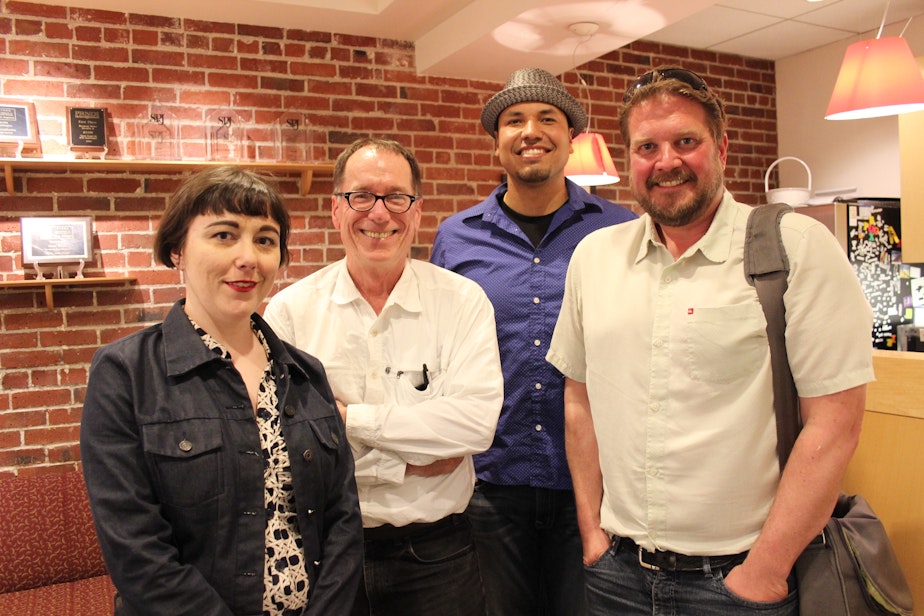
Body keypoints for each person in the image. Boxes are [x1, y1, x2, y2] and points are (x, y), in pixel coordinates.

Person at [546, 66, 875, 615]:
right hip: (616, 574)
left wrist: (764, 574)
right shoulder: (594, 259)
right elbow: (578, 399)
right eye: (647, 146)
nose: (666, 161)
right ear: (630, 158)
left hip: (739, 583)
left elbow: (836, 423)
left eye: (686, 141)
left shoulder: (795, 247)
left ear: (720, 146)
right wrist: (592, 535)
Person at [80, 166, 363, 616]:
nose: (249, 257)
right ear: (178, 251)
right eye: (225, 235)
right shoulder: (125, 372)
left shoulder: (305, 372)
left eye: (266, 240)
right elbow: (134, 547)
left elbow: (343, 518)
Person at [263, 138, 504, 616]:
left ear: (416, 212)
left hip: (438, 555)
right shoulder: (290, 311)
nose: (379, 213)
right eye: (361, 196)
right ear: (336, 209)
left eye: (396, 196)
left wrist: (346, 419)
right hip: (325, 551)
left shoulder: (463, 301)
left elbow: (475, 425)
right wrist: (408, 464)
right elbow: (288, 446)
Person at [430, 67, 637, 616]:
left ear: (572, 139)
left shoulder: (620, 230)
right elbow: (435, 347)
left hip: (594, 485)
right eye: (514, 120)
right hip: (489, 481)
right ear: (496, 142)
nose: (531, 130)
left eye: (548, 118)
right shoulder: (456, 236)